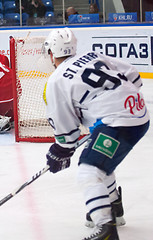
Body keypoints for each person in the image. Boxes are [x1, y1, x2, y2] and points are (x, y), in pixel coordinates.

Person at [43, 27, 150, 239]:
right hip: (140, 115)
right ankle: (114, 206)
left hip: (117, 124)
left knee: (88, 171)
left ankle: (106, 229)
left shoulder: (56, 80)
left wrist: (60, 151)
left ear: (51, 53)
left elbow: (66, 131)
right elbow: (134, 76)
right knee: (101, 164)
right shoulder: (93, 55)